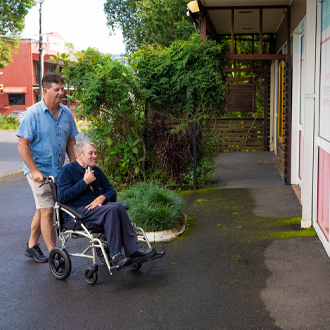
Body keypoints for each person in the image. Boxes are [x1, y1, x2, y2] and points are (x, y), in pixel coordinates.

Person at [58, 141, 156, 268]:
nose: (94, 156)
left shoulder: (96, 171)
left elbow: (111, 192)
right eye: (90, 153)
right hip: (77, 212)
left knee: (118, 206)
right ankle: (115, 255)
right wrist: (84, 182)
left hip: (97, 209)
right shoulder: (68, 170)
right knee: (110, 210)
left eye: (95, 153)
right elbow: (62, 197)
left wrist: (102, 197)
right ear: (79, 155)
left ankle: (134, 250)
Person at [17, 72, 78, 263]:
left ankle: (31, 246)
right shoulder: (32, 114)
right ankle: (55, 253)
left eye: (63, 89)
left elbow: (71, 143)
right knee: (48, 210)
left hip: (57, 170)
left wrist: (75, 166)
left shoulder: (67, 113)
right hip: (37, 170)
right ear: (45, 90)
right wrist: (34, 170)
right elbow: (22, 144)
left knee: (43, 208)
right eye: (57, 89)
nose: (62, 93)